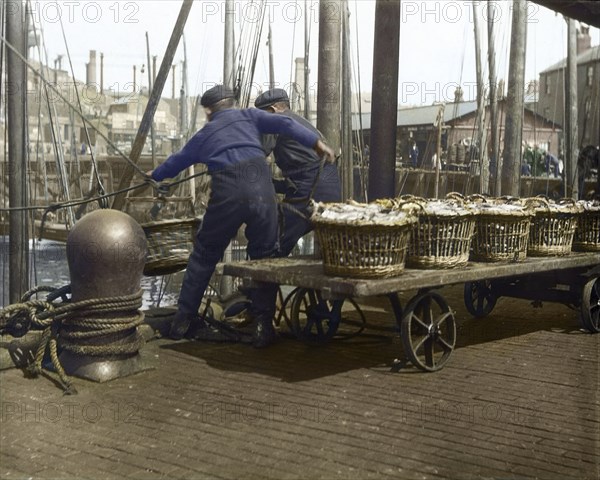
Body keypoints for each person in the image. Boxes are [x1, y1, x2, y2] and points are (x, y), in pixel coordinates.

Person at [148, 85, 335, 347]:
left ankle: (182, 321)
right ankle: (262, 327)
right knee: (264, 258)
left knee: (204, 255)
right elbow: (285, 124)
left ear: (210, 111)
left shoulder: (205, 133)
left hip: (228, 194)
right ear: (232, 104)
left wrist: (155, 176)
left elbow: (177, 161)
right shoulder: (250, 116)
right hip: (262, 191)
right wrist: (317, 143)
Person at [253, 88, 342, 256]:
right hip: (329, 185)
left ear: (272, 110)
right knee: (331, 252)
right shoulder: (299, 121)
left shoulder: (275, 121)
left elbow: (256, 156)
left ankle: (262, 282)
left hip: (311, 188)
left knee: (270, 244)